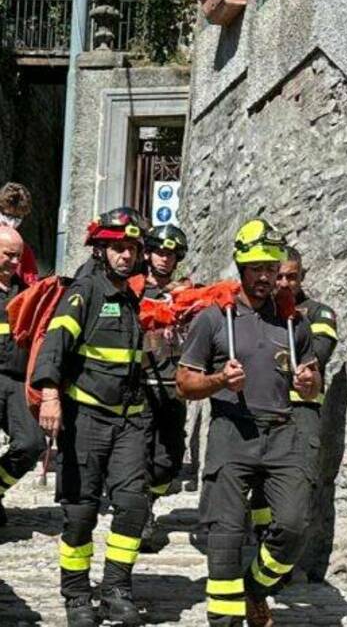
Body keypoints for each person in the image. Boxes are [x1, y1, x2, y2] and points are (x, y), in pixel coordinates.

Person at [176, 219, 322, 626]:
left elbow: (312, 383)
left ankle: (255, 590)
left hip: (281, 431)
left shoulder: (293, 322)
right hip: (231, 430)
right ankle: (223, 621)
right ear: (241, 267)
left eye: (271, 268)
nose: (266, 276)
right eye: (257, 268)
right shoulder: (213, 319)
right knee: (223, 537)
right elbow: (184, 384)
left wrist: (310, 381)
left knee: (294, 525)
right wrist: (220, 379)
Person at [31, 207, 149, 627]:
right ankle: (78, 594)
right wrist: (49, 396)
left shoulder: (133, 294)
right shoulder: (85, 290)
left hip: (131, 421)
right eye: (118, 247)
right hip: (87, 419)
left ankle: (117, 588)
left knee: (134, 505)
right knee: (80, 512)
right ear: (101, 250)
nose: (125, 255)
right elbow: (56, 342)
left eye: (132, 248)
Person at [249, 246, 339, 552]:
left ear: (302, 276)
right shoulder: (260, 312)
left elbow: (316, 357)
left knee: (298, 482)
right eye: (281, 276)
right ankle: (265, 544)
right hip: (263, 408)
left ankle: (284, 554)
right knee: (260, 484)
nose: (286, 283)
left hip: (301, 409)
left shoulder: (318, 313)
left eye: (293, 276)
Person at [138, 224, 190, 550]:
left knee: (168, 461)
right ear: (148, 253)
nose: (163, 258)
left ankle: (149, 499)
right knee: (140, 453)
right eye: (159, 251)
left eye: (169, 253)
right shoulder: (133, 290)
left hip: (174, 384)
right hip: (141, 384)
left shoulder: (185, 294)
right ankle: (140, 513)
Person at [0, 225, 46, 526]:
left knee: (31, 443)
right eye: (8, 255)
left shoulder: (27, 294)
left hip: (16, 380)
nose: (15, 262)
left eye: (18, 256)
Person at [0, 182, 39, 284]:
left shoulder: (24, 251)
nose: (12, 224)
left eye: (18, 218)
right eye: (8, 215)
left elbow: (31, 288)